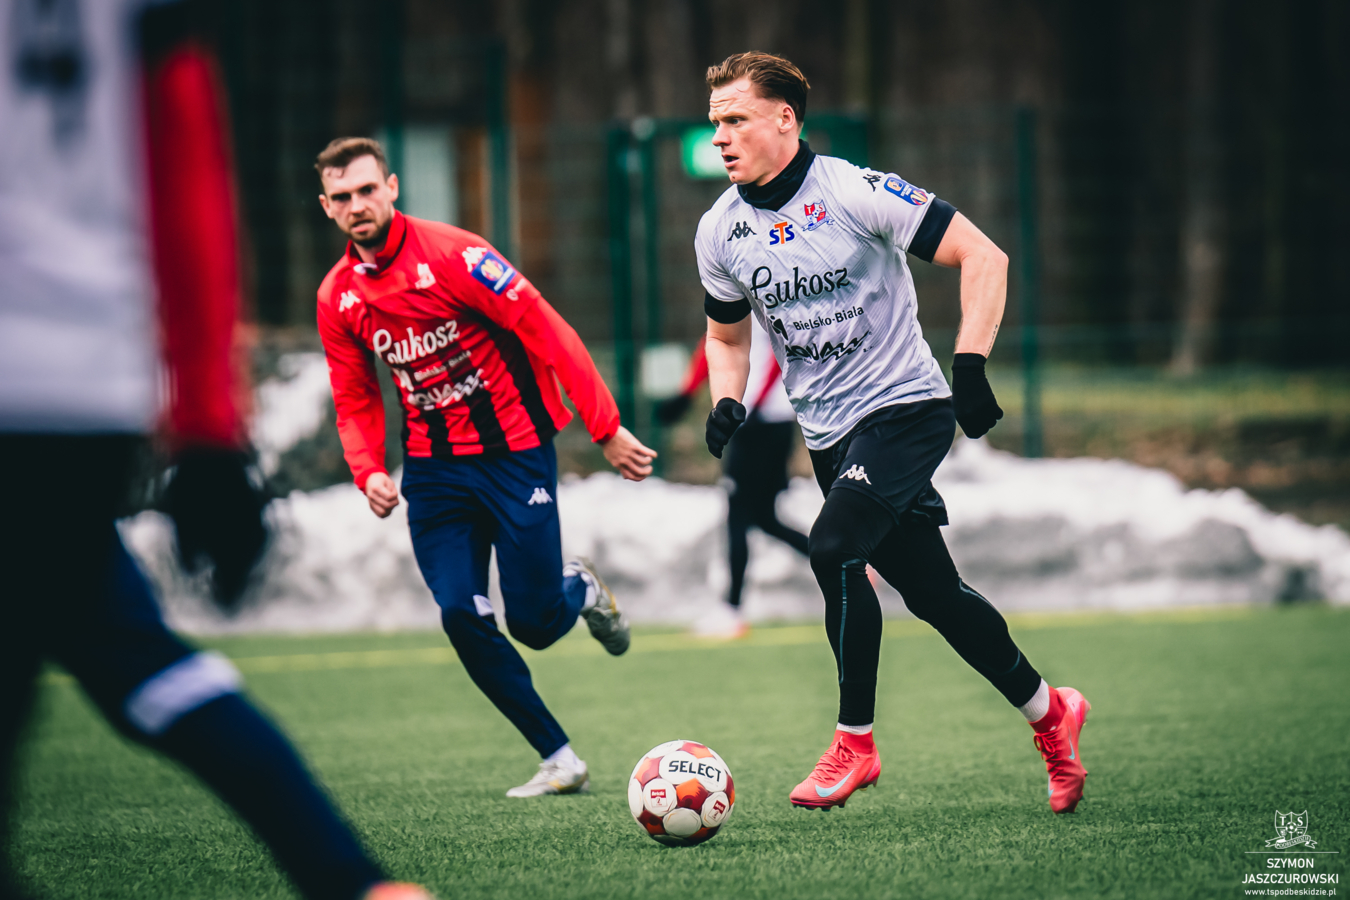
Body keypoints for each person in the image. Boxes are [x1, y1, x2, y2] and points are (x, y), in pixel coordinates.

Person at [0, 2, 430, 898]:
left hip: (55, 382)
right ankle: (356, 882)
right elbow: (190, 176)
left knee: (113, 646)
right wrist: (206, 424)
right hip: (82, 387)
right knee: (124, 647)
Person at [693, 52, 1090, 814]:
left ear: (785, 119)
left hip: (906, 410)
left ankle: (855, 744)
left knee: (833, 546)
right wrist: (726, 399)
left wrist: (969, 365)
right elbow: (725, 336)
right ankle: (1051, 712)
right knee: (935, 594)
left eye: (735, 119)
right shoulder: (720, 230)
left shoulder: (853, 191)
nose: (720, 137)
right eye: (715, 123)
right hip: (829, 435)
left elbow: (983, 255)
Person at [314, 137, 655, 798]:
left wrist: (605, 427)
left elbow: (549, 332)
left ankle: (579, 589)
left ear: (391, 188)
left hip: (514, 455)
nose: (357, 205)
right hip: (434, 473)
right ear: (327, 207)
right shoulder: (338, 297)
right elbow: (354, 396)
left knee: (534, 625)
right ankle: (559, 757)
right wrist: (369, 469)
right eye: (342, 197)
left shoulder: (457, 256)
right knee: (461, 614)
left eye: (367, 190)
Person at [656, 320, 809, 637]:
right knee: (764, 518)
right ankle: (847, 562)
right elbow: (716, 342)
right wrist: (686, 396)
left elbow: (784, 352)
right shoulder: (733, 297)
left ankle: (732, 610)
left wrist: (755, 405)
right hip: (757, 420)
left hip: (761, 423)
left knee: (738, 514)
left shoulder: (767, 298)